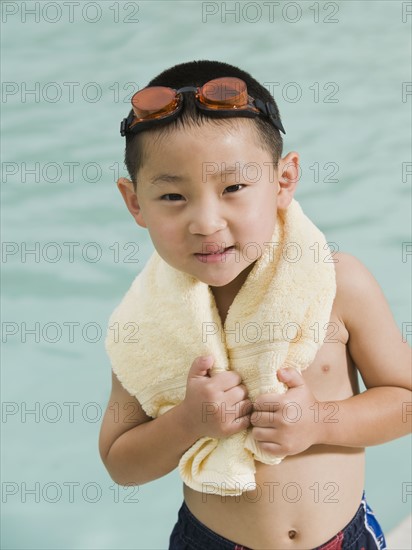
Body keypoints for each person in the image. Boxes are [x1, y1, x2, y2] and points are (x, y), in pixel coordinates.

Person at [98, 60, 411, 550]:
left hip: (340, 537)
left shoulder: (336, 283)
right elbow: (120, 462)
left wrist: (319, 422)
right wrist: (188, 423)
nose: (206, 221)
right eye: (174, 195)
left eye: (234, 189)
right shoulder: (145, 320)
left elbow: (406, 400)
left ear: (283, 181)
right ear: (135, 203)